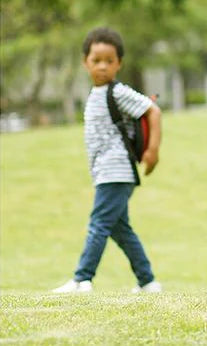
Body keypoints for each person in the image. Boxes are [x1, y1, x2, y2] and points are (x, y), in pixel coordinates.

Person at [52, 27, 162, 294]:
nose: (102, 66)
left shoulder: (118, 92)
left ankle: (82, 279)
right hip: (105, 171)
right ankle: (147, 281)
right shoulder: (94, 94)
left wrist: (153, 151)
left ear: (119, 64)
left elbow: (153, 110)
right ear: (85, 62)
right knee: (120, 229)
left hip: (117, 171)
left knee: (99, 224)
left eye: (109, 61)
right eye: (96, 60)